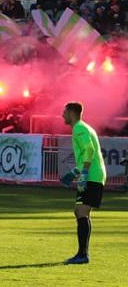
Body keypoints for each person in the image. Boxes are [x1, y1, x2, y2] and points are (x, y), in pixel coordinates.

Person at [59, 101, 106, 264]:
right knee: (81, 212)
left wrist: (84, 173)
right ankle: (82, 254)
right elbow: (85, 153)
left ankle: (82, 255)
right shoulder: (84, 127)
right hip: (94, 174)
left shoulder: (79, 128)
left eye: (64, 112)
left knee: (80, 211)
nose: (62, 115)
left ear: (72, 113)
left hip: (92, 175)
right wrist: (75, 172)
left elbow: (90, 150)